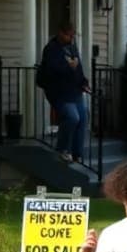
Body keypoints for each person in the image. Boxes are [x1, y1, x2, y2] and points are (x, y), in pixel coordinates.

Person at [38, 22, 90, 163]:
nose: (71, 38)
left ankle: (77, 154)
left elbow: (78, 69)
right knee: (72, 117)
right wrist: (69, 67)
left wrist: (83, 82)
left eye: (73, 35)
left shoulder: (72, 47)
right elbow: (53, 70)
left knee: (83, 119)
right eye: (69, 35)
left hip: (75, 90)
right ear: (61, 33)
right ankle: (62, 149)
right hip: (59, 92)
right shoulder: (51, 49)